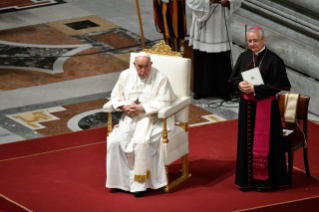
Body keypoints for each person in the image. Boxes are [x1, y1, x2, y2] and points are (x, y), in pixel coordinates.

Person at [229, 26, 291, 191]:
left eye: (255, 40)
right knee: (246, 143)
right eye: (249, 41)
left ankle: (266, 181)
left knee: (269, 145)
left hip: (266, 110)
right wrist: (240, 85)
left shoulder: (274, 60)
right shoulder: (244, 57)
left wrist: (255, 90)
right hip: (246, 108)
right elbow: (233, 80)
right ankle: (247, 181)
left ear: (263, 40)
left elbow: (277, 86)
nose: (252, 44)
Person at [105, 52, 176, 197]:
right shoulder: (125, 75)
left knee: (141, 141)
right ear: (134, 65)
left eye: (145, 67)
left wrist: (142, 108)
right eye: (139, 67)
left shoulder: (160, 78)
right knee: (115, 141)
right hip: (130, 117)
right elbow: (115, 96)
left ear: (151, 65)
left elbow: (165, 101)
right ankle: (122, 182)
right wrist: (124, 106)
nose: (142, 71)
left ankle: (141, 184)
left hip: (153, 118)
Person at [186, 0, 242, 100]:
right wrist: (209, 1)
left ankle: (223, 90)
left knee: (222, 57)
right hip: (203, 22)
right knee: (203, 56)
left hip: (220, 20)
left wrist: (229, 2)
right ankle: (202, 90)